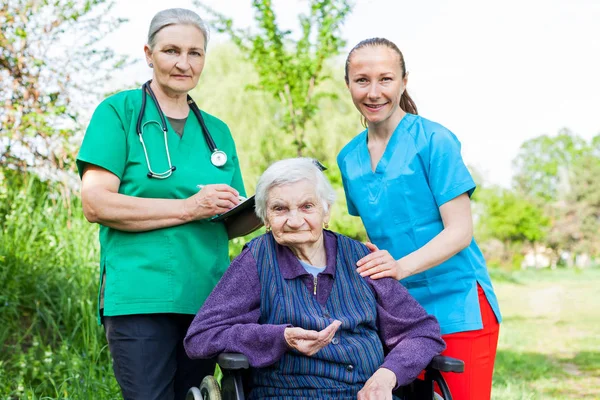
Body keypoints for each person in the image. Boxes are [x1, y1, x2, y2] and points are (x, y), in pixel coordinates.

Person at [77, 8, 246, 400]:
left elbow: (227, 220)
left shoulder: (217, 131)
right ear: (148, 53)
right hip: (140, 295)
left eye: (195, 53)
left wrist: (270, 208)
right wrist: (190, 207)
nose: (183, 63)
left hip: (207, 300)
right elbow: (96, 204)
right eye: (171, 51)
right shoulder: (118, 113)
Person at [184, 158, 445, 400]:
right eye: (280, 209)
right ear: (266, 218)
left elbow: (421, 331)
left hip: (367, 392)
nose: (295, 220)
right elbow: (201, 337)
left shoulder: (361, 258)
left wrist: (387, 376)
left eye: (307, 206)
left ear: (326, 212)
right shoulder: (256, 260)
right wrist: (279, 338)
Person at [337, 37, 502, 400]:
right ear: (348, 84)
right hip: (398, 312)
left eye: (386, 79)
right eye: (362, 80)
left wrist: (398, 268)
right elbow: (378, 233)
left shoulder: (434, 140)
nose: (374, 91)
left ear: (404, 81)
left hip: (458, 302)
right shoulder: (348, 158)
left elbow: (460, 232)